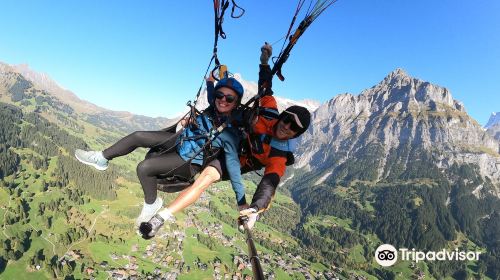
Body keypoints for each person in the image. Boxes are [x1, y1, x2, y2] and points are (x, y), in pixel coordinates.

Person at [140, 43, 311, 239]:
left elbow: (269, 183)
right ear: (282, 116)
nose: (287, 127)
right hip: (226, 136)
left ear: (296, 135)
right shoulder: (269, 110)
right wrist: (264, 62)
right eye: (288, 120)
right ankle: (164, 168)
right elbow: (265, 86)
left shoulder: (278, 155)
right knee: (187, 142)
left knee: (205, 178)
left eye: (294, 128)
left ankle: (160, 218)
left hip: (235, 161)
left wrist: (255, 208)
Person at [74, 77, 247, 227]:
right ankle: (101, 158)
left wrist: (242, 202)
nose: (222, 100)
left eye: (229, 98)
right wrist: (211, 79)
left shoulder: (230, 133)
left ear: (236, 102)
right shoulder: (214, 106)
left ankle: (152, 204)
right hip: (180, 141)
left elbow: (233, 166)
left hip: (188, 161)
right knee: (138, 136)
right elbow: (211, 90)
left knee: (144, 168)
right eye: (220, 95)